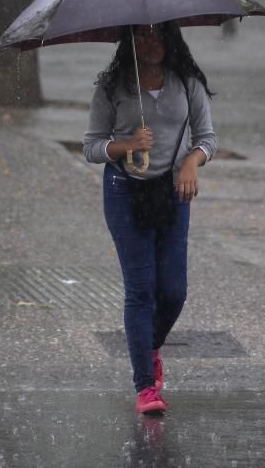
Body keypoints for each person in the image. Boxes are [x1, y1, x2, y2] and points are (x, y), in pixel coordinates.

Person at [82, 21, 217, 415]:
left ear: (171, 37)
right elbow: (90, 147)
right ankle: (145, 385)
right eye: (141, 34)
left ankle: (148, 345)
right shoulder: (113, 87)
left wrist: (193, 160)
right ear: (130, 40)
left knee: (173, 291)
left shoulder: (186, 81)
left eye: (158, 33)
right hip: (124, 191)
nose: (151, 41)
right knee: (141, 290)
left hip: (174, 192)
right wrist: (126, 145)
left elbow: (208, 137)